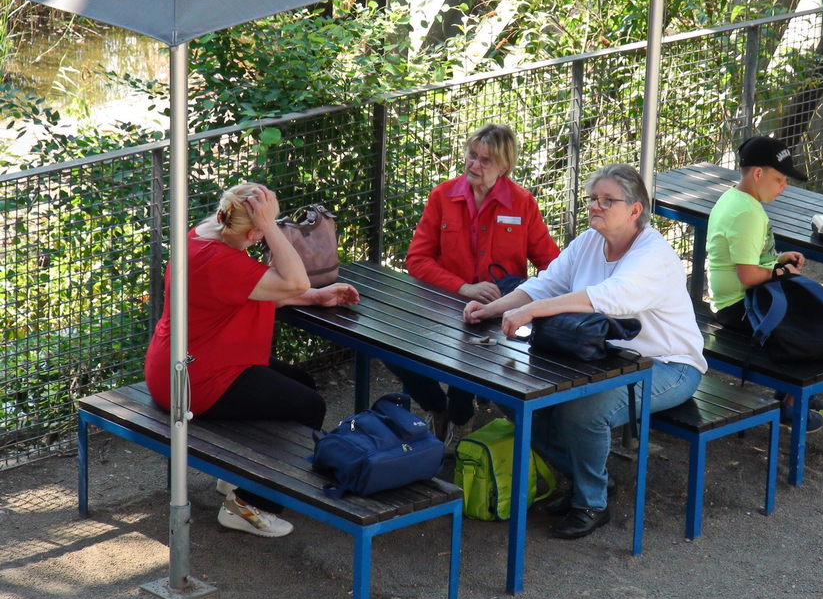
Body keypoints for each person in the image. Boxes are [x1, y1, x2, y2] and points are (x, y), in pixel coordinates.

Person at [464, 164, 706, 540]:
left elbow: (610, 297)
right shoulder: (589, 241)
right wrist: (491, 309)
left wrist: (533, 311)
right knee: (512, 393)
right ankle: (588, 479)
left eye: (608, 200)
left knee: (582, 410)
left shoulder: (653, 255)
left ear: (635, 210)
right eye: (594, 198)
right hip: (600, 357)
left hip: (668, 364)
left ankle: (591, 503)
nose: (596, 206)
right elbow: (547, 283)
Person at [144, 183, 360, 538]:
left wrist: (315, 297)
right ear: (255, 232)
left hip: (187, 363)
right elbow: (294, 280)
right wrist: (272, 227)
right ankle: (248, 505)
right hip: (195, 381)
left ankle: (238, 475)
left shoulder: (206, 233)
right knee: (309, 406)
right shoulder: (220, 261)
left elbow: (256, 291)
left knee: (301, 384)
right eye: (263, 230)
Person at [399, 123, 560, 447]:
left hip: (497, 311)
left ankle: (460, 417)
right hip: (444, 303)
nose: (474, 165)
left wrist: (530, 301)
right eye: (472, 155)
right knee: (392, 347)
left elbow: (552, 264)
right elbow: (416, 259)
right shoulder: (443, 196)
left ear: (504, 166)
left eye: (486, 161)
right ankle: (437, 407)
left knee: (472, 344)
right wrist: (462, 288)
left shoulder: (522, 203)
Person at [705, 134, 823, 433]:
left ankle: (797, 393)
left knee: (812, 312)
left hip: (735, 299)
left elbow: (748, 259)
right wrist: (781, 273)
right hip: (739, 306)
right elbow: (748, 277)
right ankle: (791, 404)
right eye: (779, 179)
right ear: (757, 173)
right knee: (815, 329)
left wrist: (778, 260)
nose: (784, 186)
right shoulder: (747, 213)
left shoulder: (734, 198)